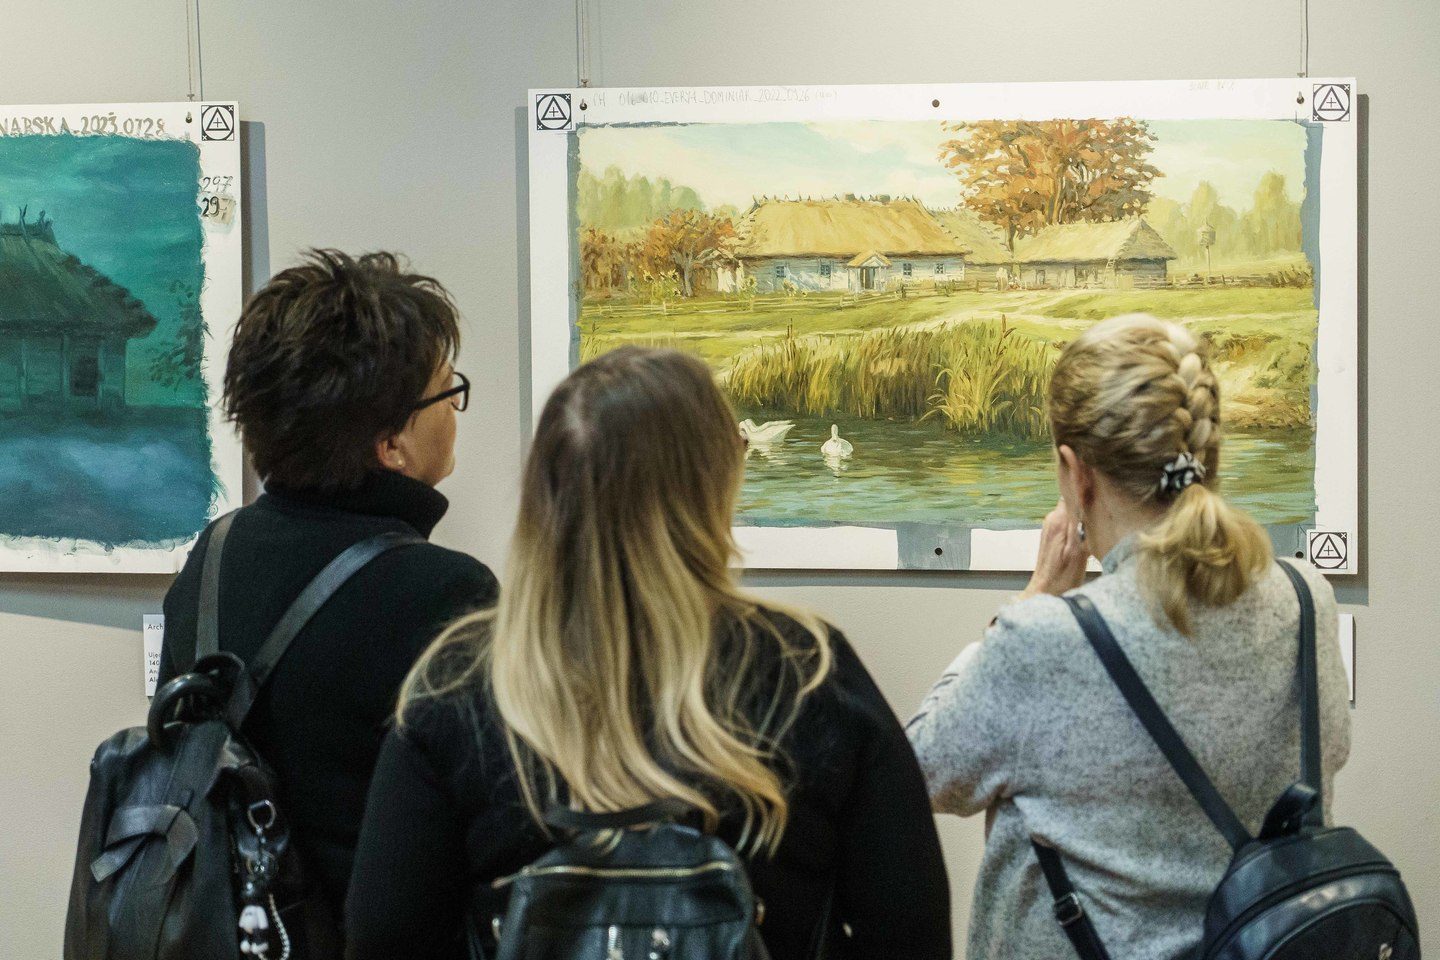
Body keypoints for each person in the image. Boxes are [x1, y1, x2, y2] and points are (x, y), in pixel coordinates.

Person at [345, 347, 952, 960]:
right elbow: (911, 934)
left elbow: (383, 940)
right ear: (714, 487)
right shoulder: (807, 673)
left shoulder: (458, 689)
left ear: (543, 496)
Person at [908, 314, 1351, 960]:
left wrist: (1035, 597)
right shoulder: (1307, 600)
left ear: (1076, 473)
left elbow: (918, 770)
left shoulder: (1043, 641)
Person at [157, 250, 498, 953]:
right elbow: (484, 831)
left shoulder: (212, 557)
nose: (456, 412)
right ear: (392, 445)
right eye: (448, 392)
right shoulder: (448, 593)